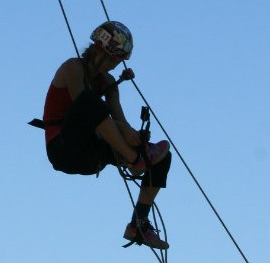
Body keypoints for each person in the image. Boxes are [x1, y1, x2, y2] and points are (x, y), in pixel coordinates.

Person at [34, 21, 172, 249]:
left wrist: (133, 138)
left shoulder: (108, 82)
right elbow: (84, 105)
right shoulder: (72, 68)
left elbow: (119, 121)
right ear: (104, 51)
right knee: (89, 101)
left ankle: (138, 223)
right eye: (115, 58)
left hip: (91, 152)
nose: (116, 64)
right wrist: (127, 140)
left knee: (161, 158)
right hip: (65, 146)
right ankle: (134, 160)